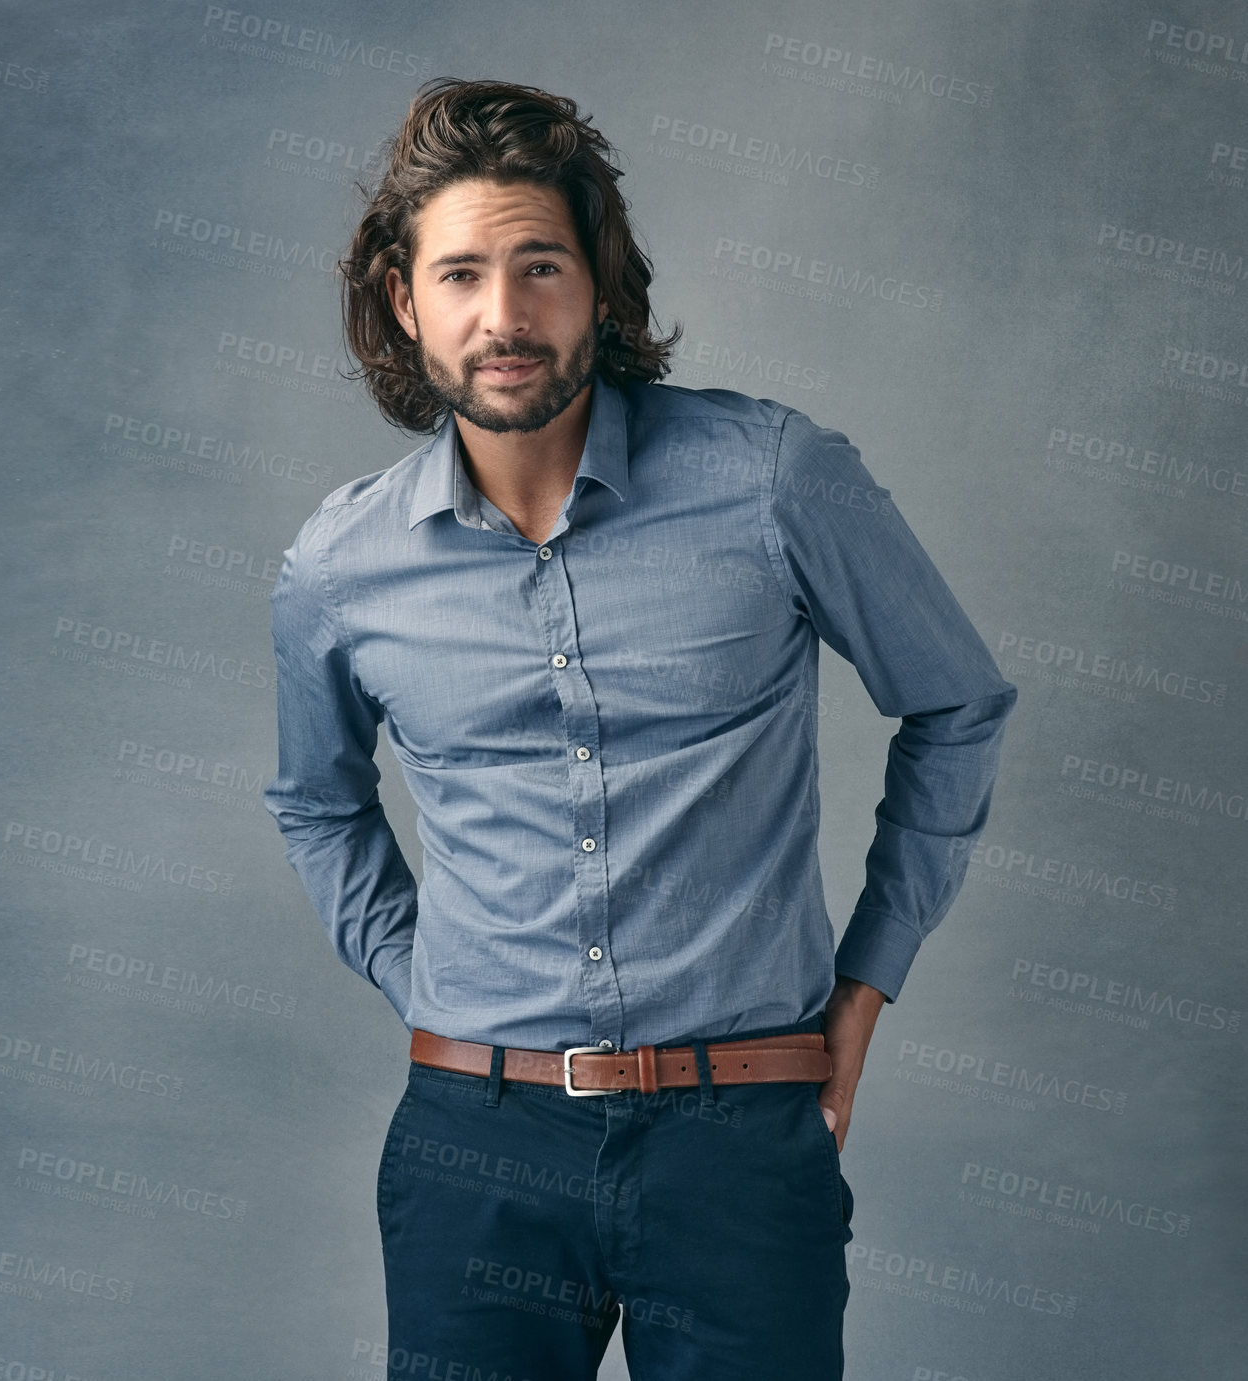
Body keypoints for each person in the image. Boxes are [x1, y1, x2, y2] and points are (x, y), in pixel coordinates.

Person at [264, 77, 1016, 1381]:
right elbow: (317, 801)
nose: (501, 314)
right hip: (471, 1148)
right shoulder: (337, 566)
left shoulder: (775, 481)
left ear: (600, 282)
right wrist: (425, 978)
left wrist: (865, 984)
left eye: (537, 264)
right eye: (458, 275)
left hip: (737, 1136)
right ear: (404, 302)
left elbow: (955, 702)